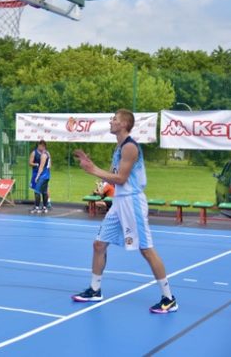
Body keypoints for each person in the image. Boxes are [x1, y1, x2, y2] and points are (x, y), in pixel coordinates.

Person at [72, 109, 178, 314]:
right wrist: (96, 174)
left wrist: (92, 168)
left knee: (146, 249)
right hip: (119, 202)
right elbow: (114, 176)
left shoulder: (130, 147)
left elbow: (121, 179)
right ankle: (95, 290)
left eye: (114, 119)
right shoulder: (118, 147)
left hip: (132, 202)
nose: (111, 122)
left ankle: (169, 298)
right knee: (99, 244)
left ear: (123, 124)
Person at [28, 140, 51, 214]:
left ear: (44, 146)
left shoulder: (44, 155)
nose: (40, 147)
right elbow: (49, 165)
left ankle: (37, 208)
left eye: (41, 146)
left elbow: (41, 167)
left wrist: (37, 176)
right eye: (39, 145)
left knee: (37, 191)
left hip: (42, 175)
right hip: (46, 175)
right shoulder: (47, 153)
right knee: (44, 192)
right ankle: (45, 208)